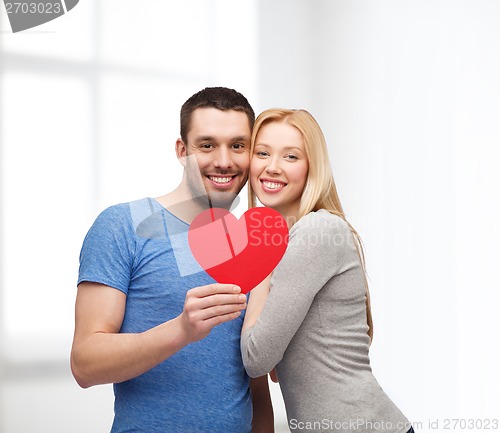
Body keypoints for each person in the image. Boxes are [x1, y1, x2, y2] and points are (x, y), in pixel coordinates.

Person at [71, 87, 274, 433]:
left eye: (237, 145)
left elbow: (254, 381)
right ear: (182, 151)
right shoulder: (124, 225)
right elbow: (85, 364)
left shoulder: (256, 246)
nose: (224, 161)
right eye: (207, 145)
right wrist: (180, 331)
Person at [241, 108, 413, 433]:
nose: (272, 167)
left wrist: (260, 266)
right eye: (262, 153)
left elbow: (257, 358)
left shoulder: (317, 232)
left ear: (312, 167)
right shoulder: (296, 237)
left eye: (290, 156)